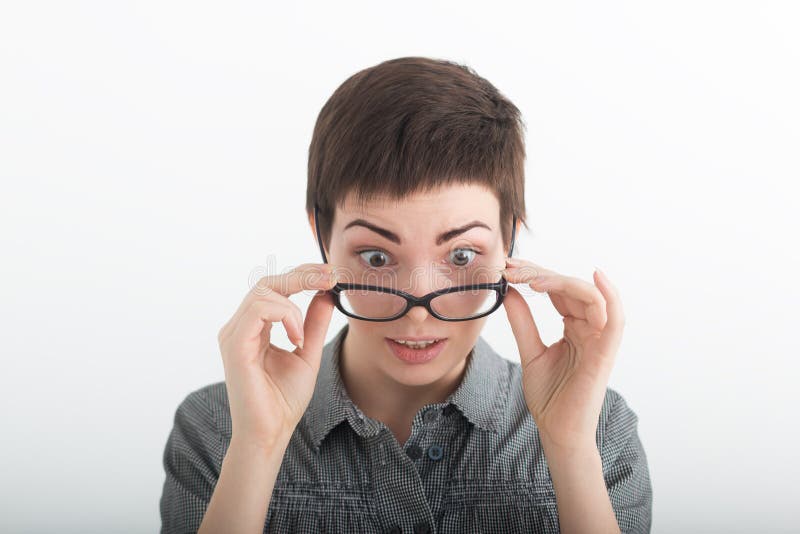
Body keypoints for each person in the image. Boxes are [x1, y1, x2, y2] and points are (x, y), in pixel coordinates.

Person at [159, 56, 652, 534]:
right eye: (376, 257)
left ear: (511, 244)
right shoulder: (217, 428)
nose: (417, 309)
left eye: (461, 257)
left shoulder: (599, 429)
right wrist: (259, 445)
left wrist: (569, 451)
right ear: (321, 239)